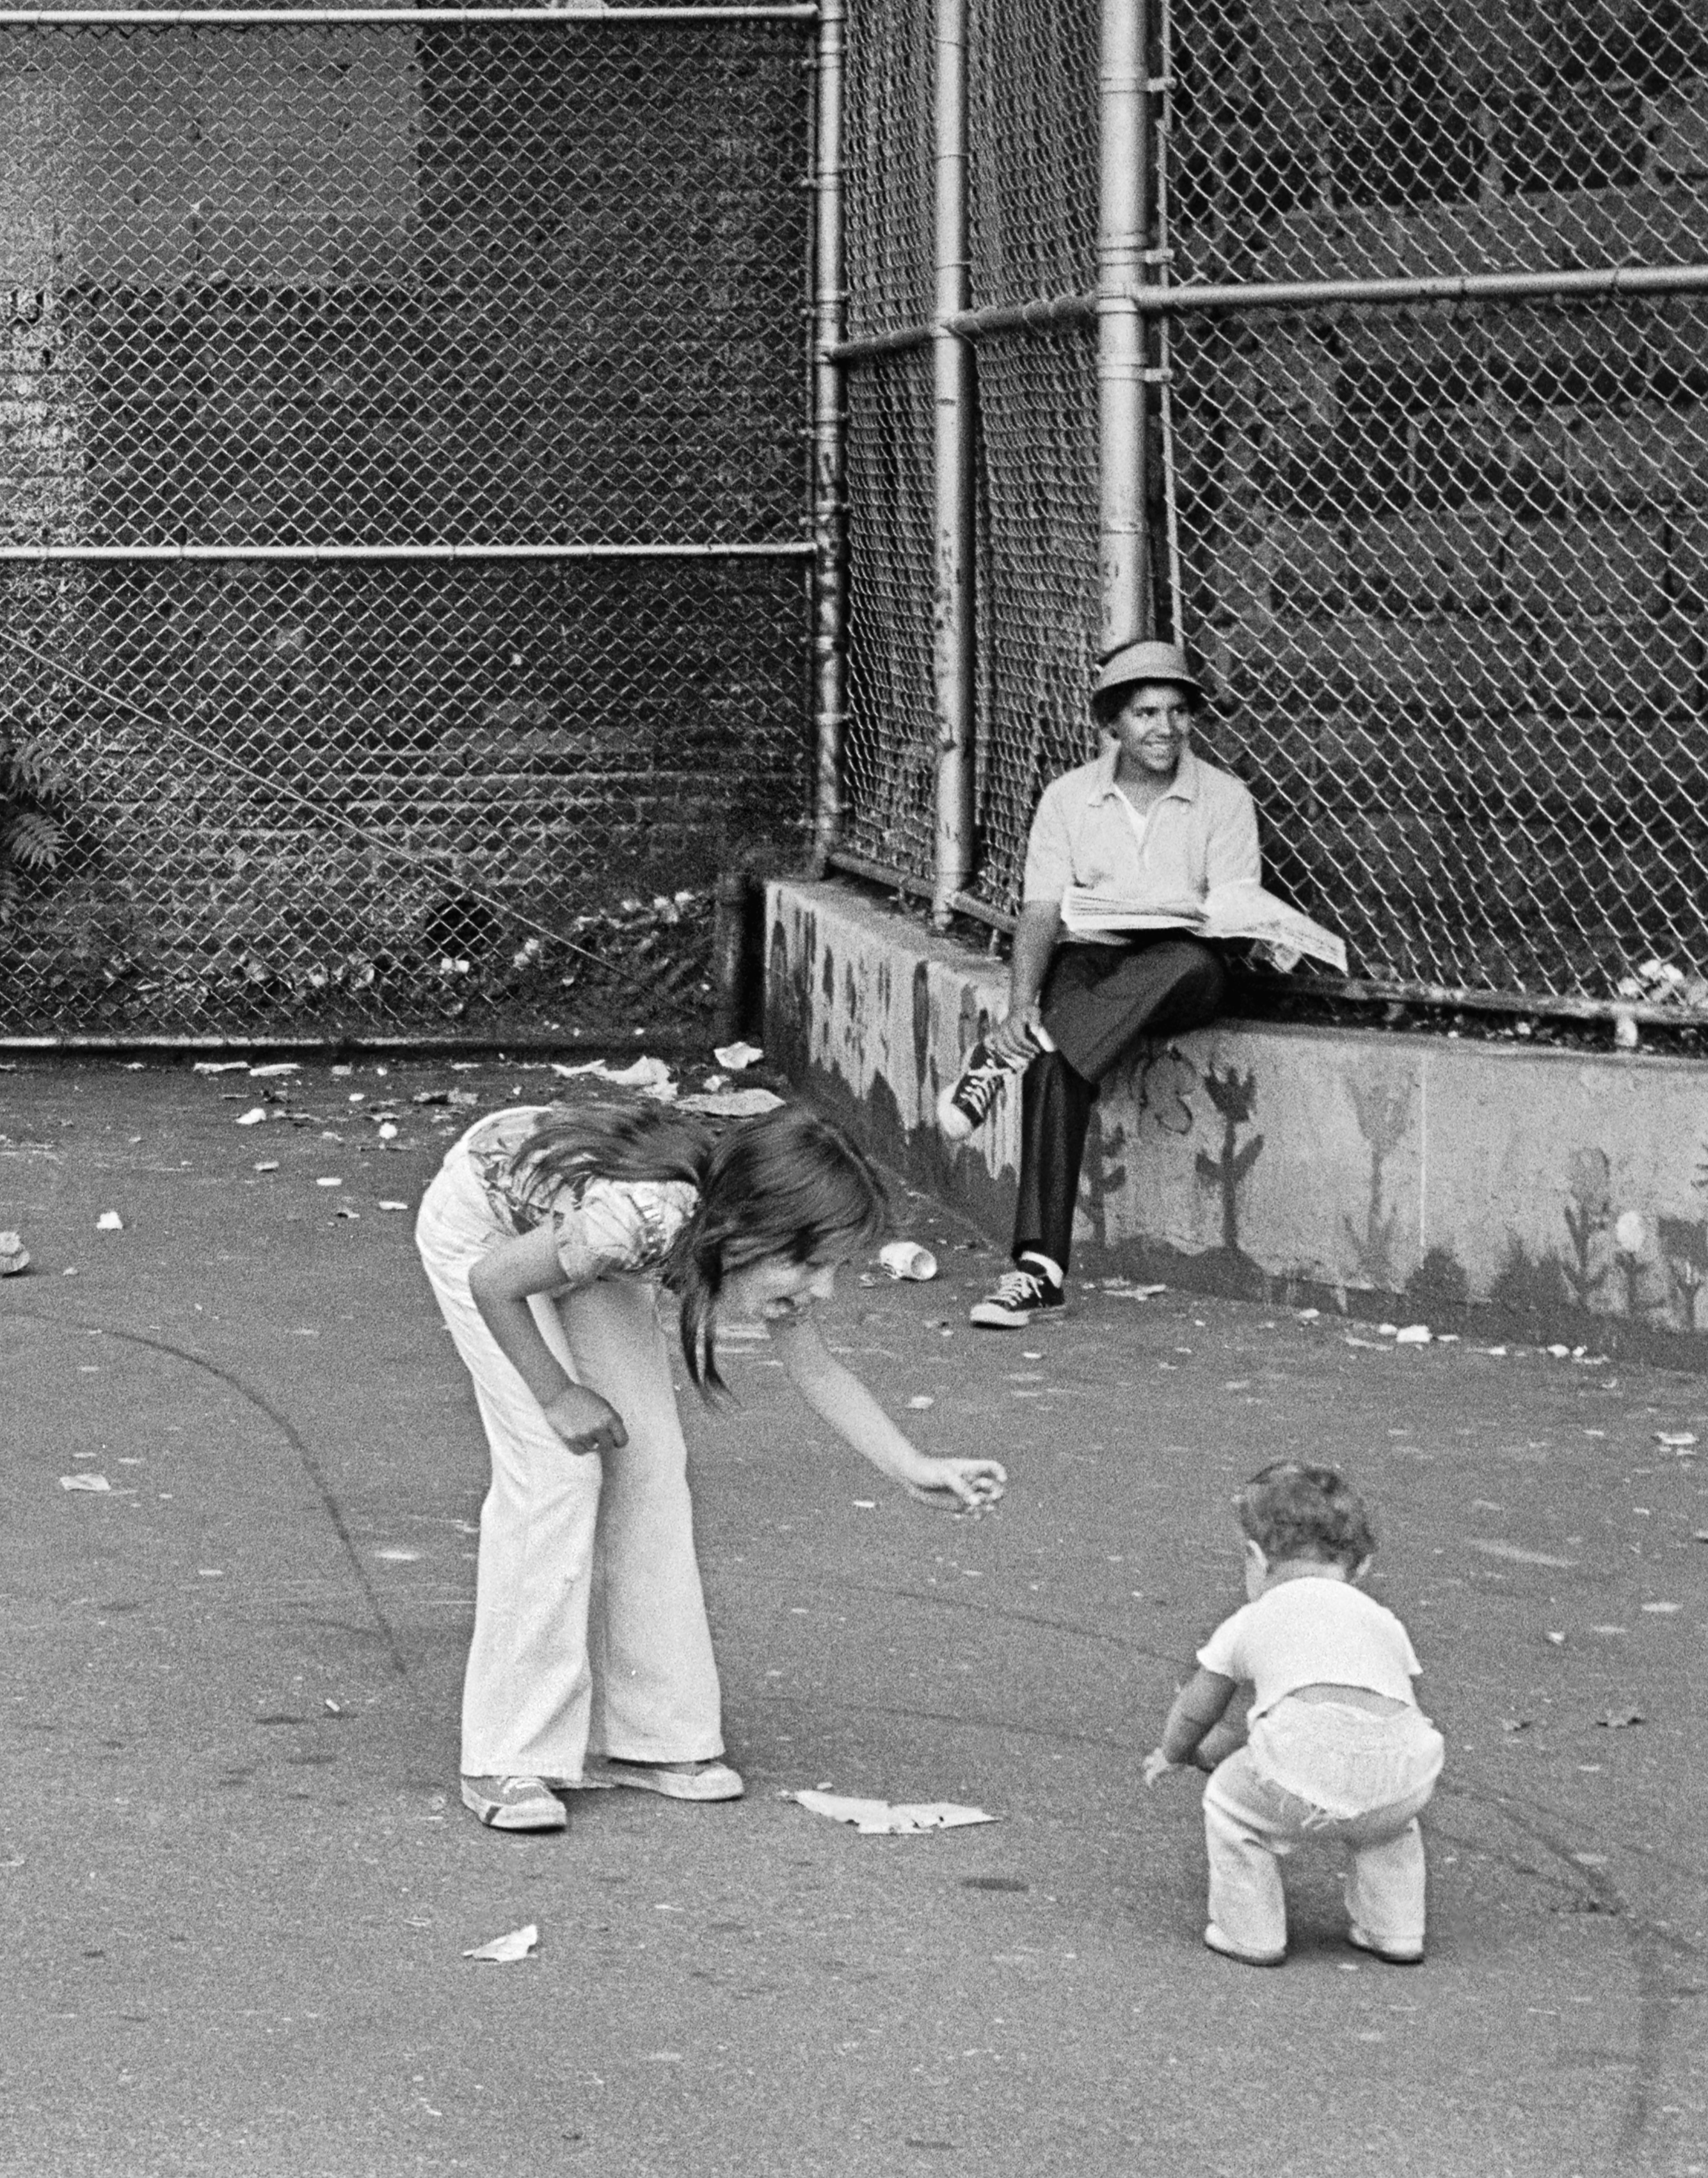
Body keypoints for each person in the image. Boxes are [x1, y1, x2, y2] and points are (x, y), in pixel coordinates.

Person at [417, 1096, 1009, 1834]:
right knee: (558, 1469)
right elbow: (495, 1283)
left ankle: (652, 1735)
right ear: (751, 1231)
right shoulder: (638, 1219)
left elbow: (818, 1371)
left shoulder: (737, 1239)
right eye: (813, 1263)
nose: (822, 1288)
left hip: (576, 1231)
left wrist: (910, 1464)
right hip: (485, 1229)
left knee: (650, 1458)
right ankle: (506, 1751)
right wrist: (559, 1392)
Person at [962, 639, 1270, 1331]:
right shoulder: (1068, 797)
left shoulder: (1225, 798)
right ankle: (1037, 1272)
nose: (1164, 728)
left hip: (1182, 965)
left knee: (1182, 964)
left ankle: (1014, 1052)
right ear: (1112, 722)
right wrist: (1021, 1004)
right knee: (1054, 1060)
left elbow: (1234, 916)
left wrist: (1245, 927)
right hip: (1094, 957)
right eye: (1144, 713)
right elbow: (1042, 910)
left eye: (1178, 712)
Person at [1147, 1460, 1441, 1967]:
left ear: (1256, 1559)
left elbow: (1199, 1707)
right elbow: (1378, 1698)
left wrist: (1176, 1752)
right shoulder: (1384, 1621)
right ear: (1361, 1566)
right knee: (1389, 1825)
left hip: (1299, 1761)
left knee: (1230, 1805)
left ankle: (1250, 1931)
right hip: (1408, 1764)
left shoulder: (1252, 1619)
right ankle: (1394, 1929)